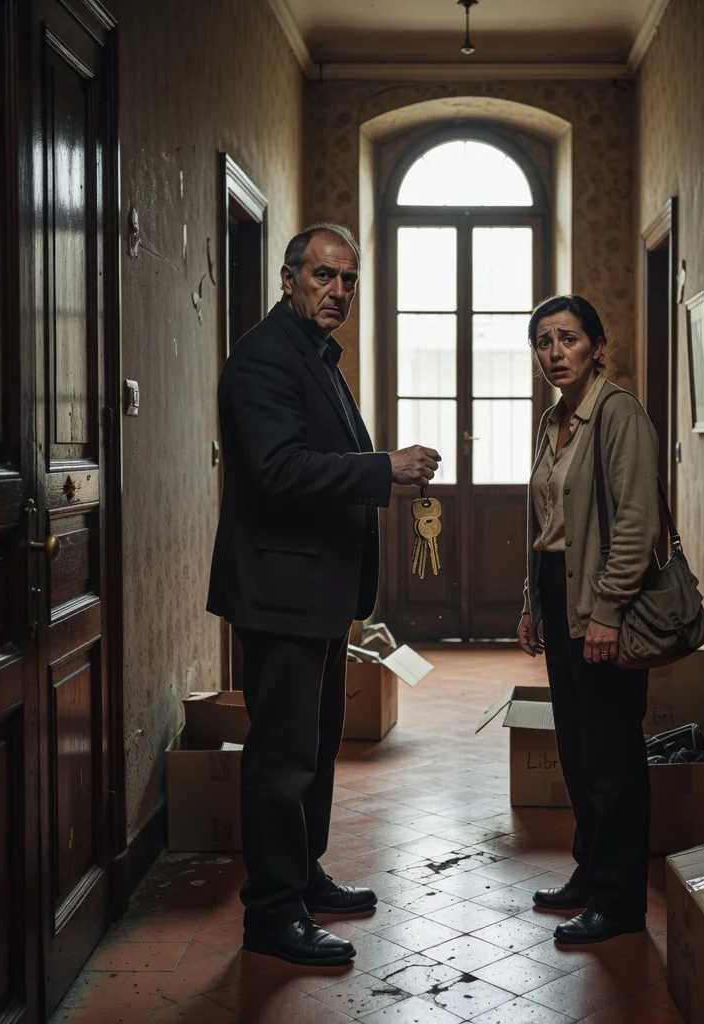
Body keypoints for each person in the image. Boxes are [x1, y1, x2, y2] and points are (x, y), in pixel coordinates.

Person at [206, 223, 440, 966]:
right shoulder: (264, 357)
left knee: (318, 743)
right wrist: (383, 468)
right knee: (282, 758)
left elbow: (317, 456)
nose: (338, 291)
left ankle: (302, 876)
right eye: (323, 276)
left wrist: (375, 469)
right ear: (288, 280)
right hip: (280, 592)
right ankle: (273, 915)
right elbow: (279, 469)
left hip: (315, 592)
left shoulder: (314, 353)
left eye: (349, 279)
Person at [517, 294, 660, 944]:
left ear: (597, 347)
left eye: (568, 338)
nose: (555, 352)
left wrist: (608, 610)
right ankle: (591, 871)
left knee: (611, 753)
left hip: (603, 597)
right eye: (544, 341)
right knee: (576, 746)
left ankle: (620, 901)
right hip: (558, 589)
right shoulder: (552, 420)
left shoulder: (618, 413)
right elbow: (544, 521)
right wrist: (531, 602)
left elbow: (636, 522)